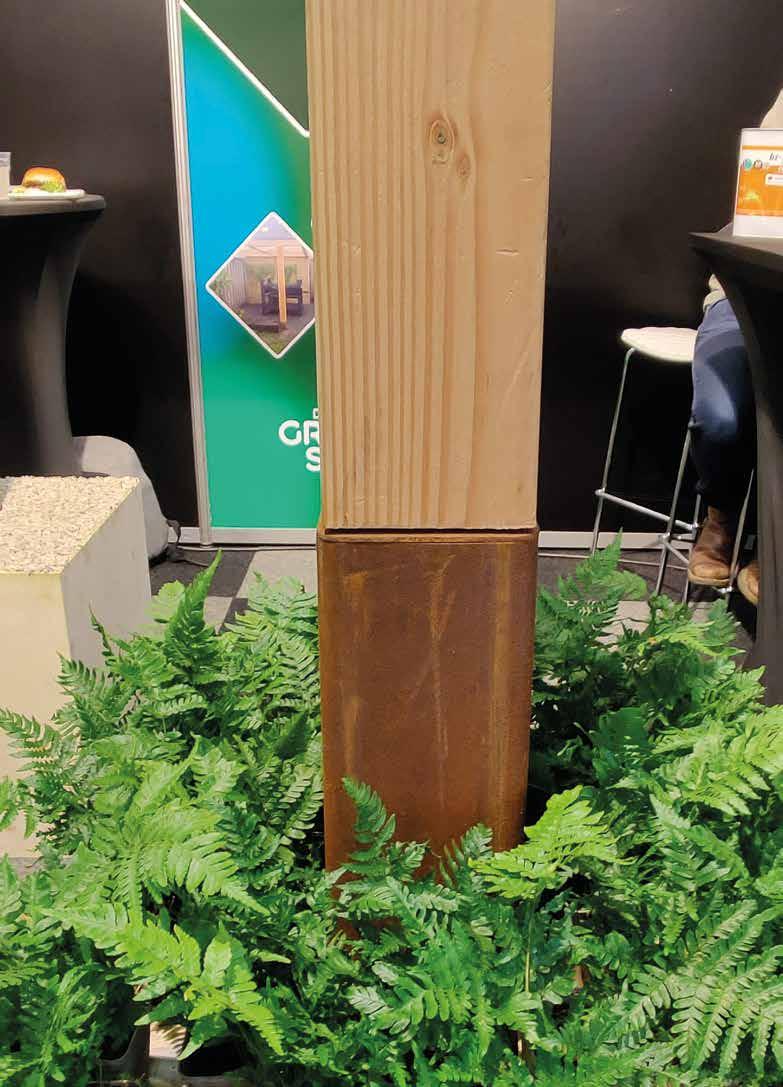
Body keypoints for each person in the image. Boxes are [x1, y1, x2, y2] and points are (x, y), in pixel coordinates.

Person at [688, 87, 783, 606]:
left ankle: (774, 545)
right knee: (720, 420)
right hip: (745, 290)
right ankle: (720, 518)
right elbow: (765, 185)